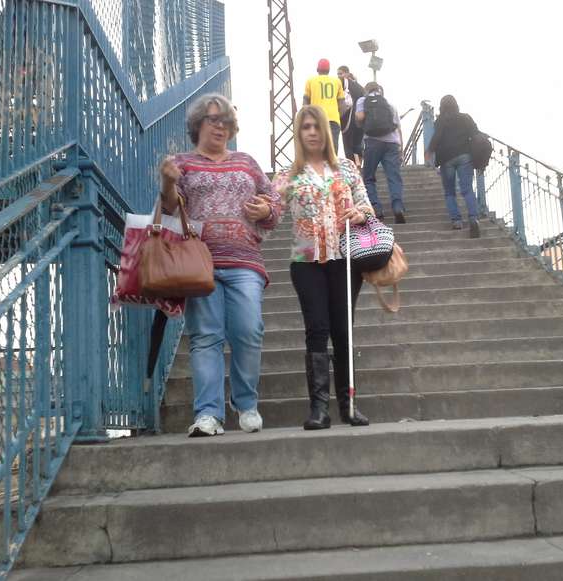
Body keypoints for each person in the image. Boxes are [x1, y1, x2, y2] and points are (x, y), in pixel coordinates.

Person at [160, 93, 282, 437]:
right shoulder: (182, 162)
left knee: (248, 329)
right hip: (199, 261)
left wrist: (265, 211)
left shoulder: (246, 162)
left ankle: (244, 402)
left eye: (226, 121)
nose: (221, 126)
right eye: (214, 119)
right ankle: (208, 413)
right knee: (206, 336)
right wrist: (168, 181)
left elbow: (273, 202)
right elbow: (170, 209)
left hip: (244, 259)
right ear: (197, 124)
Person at [273, 105, 371, 430]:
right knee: (317, 330)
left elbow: (365, 203)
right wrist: (261, 207)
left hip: (344, 260)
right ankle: (319, 409)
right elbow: (272, 210)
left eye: (316, 126)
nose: (312, 132)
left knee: (343, 331)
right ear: (299, 134)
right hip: (307, 263)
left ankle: (348, 404)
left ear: (325, 132)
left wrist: (360, 213)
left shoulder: (345, 168)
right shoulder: (289, 175)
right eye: (306, 127)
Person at [425, 94, 481, 238]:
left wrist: (429, 151)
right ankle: (473, 218)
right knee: (467, 189)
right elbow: (476, 134)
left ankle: (456, 221)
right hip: (464, 156)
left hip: (446, 159)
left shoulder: (440, 121)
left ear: (441, 107)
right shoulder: (465, 118)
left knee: (449, 192)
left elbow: (436, 137)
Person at [355, 82, 406, 224]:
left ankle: (377, 209)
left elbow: (359, 117)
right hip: (392, 143)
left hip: (373, 141)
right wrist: (400, 149)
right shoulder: (389, 104)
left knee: (369, 177)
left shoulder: (362, 100)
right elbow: (398, 128)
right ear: (380, 91)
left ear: (366, 90)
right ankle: (397, 207)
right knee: (393, 176)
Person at [303, 58, 346, 155]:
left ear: (317, 69)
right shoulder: (337, 81)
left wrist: (305, 119)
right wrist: (338, 116)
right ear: (329, 70)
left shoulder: (310, 81)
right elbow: (343, 105)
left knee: (316, 150)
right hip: (333, 120)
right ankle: (332, 169)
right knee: (332, 151)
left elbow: (305, 103)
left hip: (316, 119)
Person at [337, 66, 365, 167]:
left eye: (340, 73)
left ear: (347, 73)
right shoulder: (359, 87)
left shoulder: (343, 84)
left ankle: (352, 167)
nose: (339, 76)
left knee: (348, 147)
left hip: (348, 122)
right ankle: (359, 165)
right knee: (357, 145)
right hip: (359, 121)